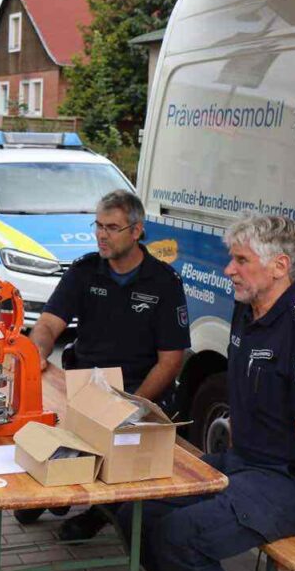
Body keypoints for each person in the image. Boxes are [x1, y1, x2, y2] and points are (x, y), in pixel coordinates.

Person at [119, 213, 295, 571]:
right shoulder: (246, 309)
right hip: (242, 464)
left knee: (180, 537)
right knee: (134, 512)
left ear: (279, 267)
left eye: (241, 260)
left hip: (290, 485)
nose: (229, 269)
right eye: (232, 258)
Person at [21, 189, 191, 541]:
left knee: (119, 444)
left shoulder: (164, 282)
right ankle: (59, 491)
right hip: (87, 383)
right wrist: (38, 350)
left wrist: (133, 406)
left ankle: (99, 512)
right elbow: (49, 323)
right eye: (98, 225)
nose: (101, 234)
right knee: (44, 423)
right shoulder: (85, 270)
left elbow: (171, 361)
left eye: (111, 227)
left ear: (136, 231)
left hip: (138, 389)